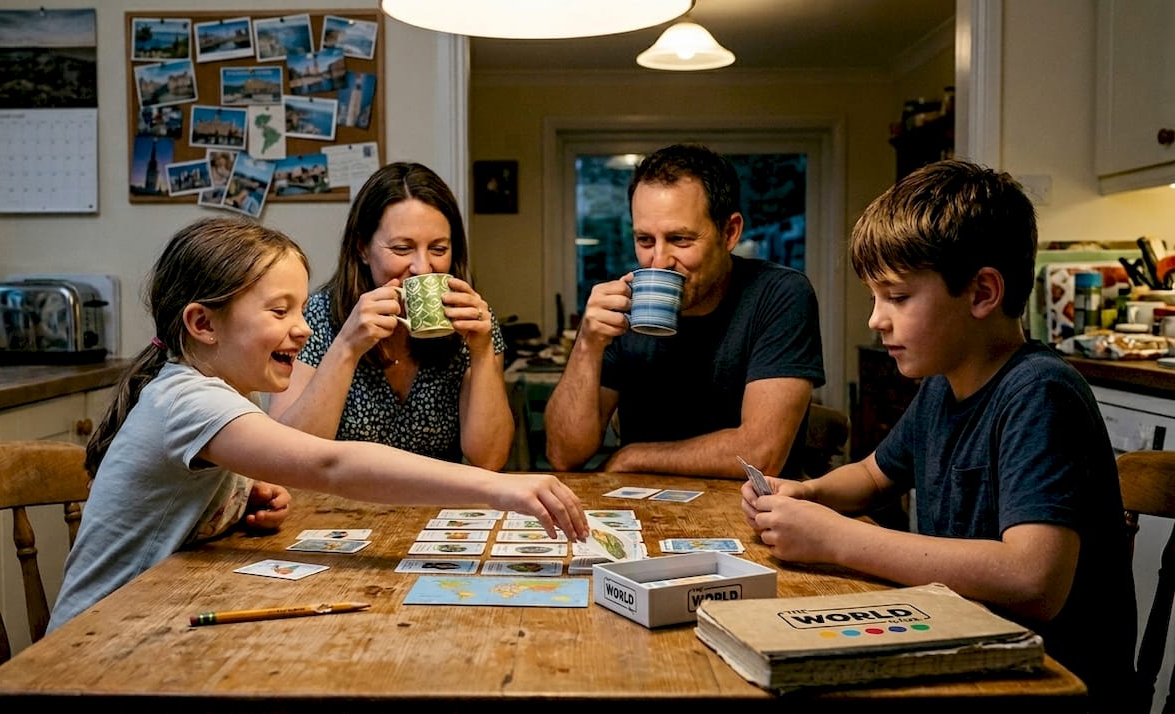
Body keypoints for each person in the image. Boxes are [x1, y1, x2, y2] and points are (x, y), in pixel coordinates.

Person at [48, 216, 586, 632]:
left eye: (302, 310)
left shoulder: (213, 391)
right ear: (203, 323)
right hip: (94, 649)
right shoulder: (188, 399)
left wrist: (237, 499)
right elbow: (331, 462)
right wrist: (500, 487)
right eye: (279, 311)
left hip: (151, 621)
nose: (304, 329)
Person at [742, 160, 1136, 708]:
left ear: (982, 293)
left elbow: (1033, 580)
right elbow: (874, 475)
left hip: (1043, 684)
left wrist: (835, 539)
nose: (877, 320)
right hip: (964, 650)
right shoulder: (942, 387)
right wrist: (806, 494)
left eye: (897, 297)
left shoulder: (1040, 393)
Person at [544, 143, 825, 478]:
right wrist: (587, 345)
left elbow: (761, 454)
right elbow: (563, 456)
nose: (659, 261)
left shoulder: (779, 294)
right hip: (642, 513)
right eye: (645, 241)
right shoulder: (623, 304)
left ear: (730, 232)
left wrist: (633, 457)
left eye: (680, 240)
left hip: (749, 512)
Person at [267, 162, 513, 470]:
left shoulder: (473, 320)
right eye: (401, 248)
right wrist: (347, 347)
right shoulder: (316, 317)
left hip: (434, 504)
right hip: (336, 507)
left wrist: (482, 350)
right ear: (363, 249)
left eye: (438, 249)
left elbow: (489, 459)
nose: (422, 267)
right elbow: (286, 461)